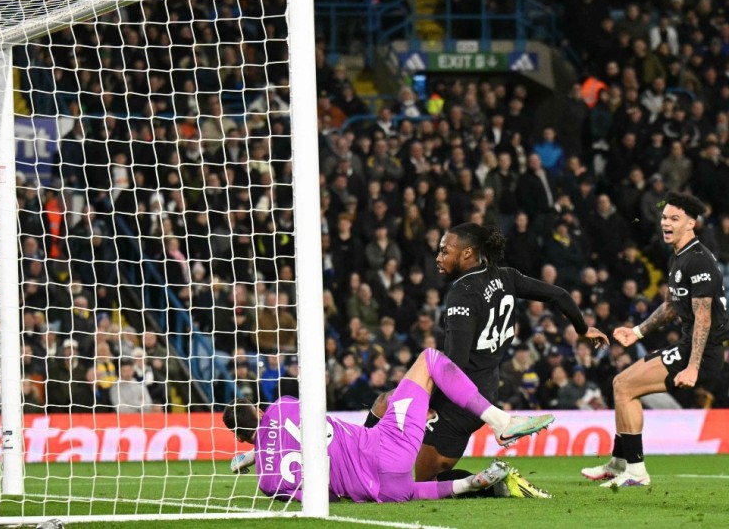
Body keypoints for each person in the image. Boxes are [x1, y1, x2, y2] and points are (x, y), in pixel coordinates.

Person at [409, 222, 609, 493]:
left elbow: (454, 362)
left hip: (459, 401)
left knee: (422, 485)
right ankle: (497, 483)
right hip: (487, 393)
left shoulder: (462, 293)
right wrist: (583, 329)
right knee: (432, 479)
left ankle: (499, 483)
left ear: (467, 253)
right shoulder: (506, 277)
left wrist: (428, 402)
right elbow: (559, 295)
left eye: (445, 251)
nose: (438, 257)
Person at [222, 347, 555, 503]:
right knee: (430, 360)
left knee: (410, 490)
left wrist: (256, 455)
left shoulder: (268, 481)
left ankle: (470, 485)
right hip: (384, 447)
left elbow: (325, 497)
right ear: (257, 406)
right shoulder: (282, 406)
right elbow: (291, 426)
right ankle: (501, 422)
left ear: (240, 438)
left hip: (379, 490)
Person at [582, 192, 729, 487]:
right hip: (689, 346)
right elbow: (671, 305)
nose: (666, 223)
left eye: (675, 219)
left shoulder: (698, 261)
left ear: (691, 224)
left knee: (624, 386)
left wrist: (693, 367)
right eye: (664, 217)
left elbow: (704, 319)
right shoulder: (680, 256)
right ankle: (620, 463)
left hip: (701, 352)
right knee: (622, 384)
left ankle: (634, 471)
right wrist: (637, 331)